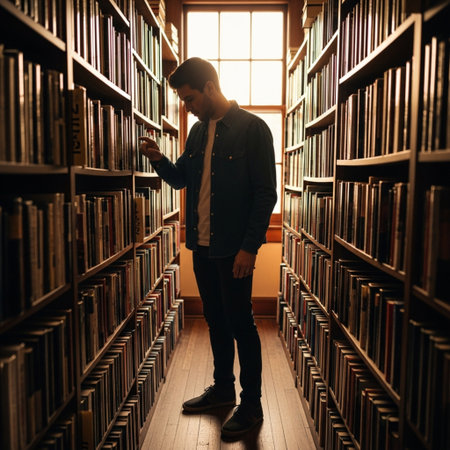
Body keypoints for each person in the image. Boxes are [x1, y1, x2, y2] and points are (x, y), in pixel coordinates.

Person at [139, 57, 277, 439]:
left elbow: (266, 194)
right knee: (215, 320)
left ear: (210, 88)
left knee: (241, 324)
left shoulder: (253, 130)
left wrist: (250, 248)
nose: (186, 106)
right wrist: (158, 160)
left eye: (189, 99)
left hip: (235, 251)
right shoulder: (197, 133)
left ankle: (251, 403)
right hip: (201, 247)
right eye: (184, 101)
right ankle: (222, 390)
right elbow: (181, 179)